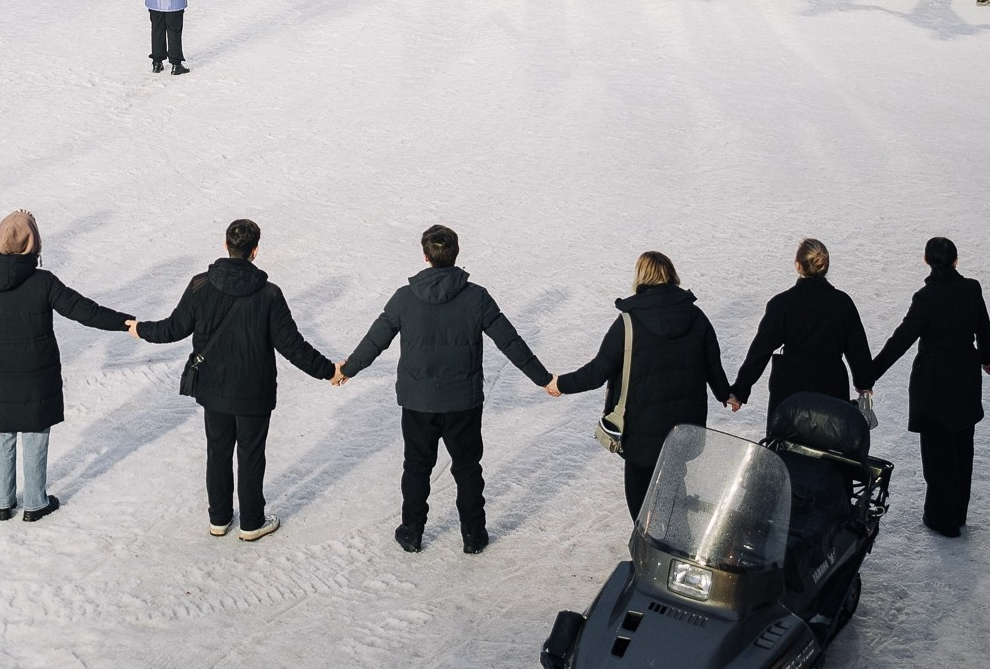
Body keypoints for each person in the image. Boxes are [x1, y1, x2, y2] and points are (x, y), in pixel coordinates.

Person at [336, 224, 551, 554]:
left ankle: (411, 532)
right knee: (467, 468)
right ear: (456, 254)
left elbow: (376, 340)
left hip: (418, 402)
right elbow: (510, 342)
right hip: (462, 403)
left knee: (417, 467)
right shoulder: (477, 297)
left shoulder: (405, 298)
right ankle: (474, 535)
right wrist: (544, 379)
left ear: (425, 256)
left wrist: (346, 370)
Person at [130, 218, 338, 539]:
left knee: (218, 451)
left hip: (213, 389)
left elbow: (173, 328)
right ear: (255, 251)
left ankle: (219, 518)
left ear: (226, 246)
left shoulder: (200, 285)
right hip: (254, 391)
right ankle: (252, 523)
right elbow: (292, 346)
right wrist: (329, 371)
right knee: (251, 455)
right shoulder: (269, 294)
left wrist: (140, 328)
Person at [0, 209, 134, 523]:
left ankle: (3, 502)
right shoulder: (44, 282)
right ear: (33, 244)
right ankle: (36, 502)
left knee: (2, 436)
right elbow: (84, 311)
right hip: (37, 378)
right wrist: (124, 323)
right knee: (35, 435)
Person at [548, 250, 734, 519]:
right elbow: (712, 365)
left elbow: (598, 371)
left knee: (641, 505)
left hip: (641, 435)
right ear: (671, 275)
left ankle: (649, 555)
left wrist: (560, 384)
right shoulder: (695, 316)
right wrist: (726, 394)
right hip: (684, 429)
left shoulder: (629, 322)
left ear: (641, 277)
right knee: (673, 498)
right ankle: (675, 547)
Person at [865, 237, 990, 536]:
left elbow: (902, 339)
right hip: (965, 380)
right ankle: (958, 513)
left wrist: (869, 375)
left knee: (938, 455)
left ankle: (941, 519)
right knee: (963, 449)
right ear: (955, 260)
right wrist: (987, 360)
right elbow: (984, 327)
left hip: (934, 385)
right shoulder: (971, 288)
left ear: (926, 261)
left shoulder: (927, 297)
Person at [728, 237, 873, 415]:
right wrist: (864, 384)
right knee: (830, 440)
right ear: (825, 266)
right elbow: (858, 349)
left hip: (790, 392)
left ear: (798, 265)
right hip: (832, 388)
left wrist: (740, 391)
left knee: (787, 441)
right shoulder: (843, 303)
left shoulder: (782, 304)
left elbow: (760, 351)